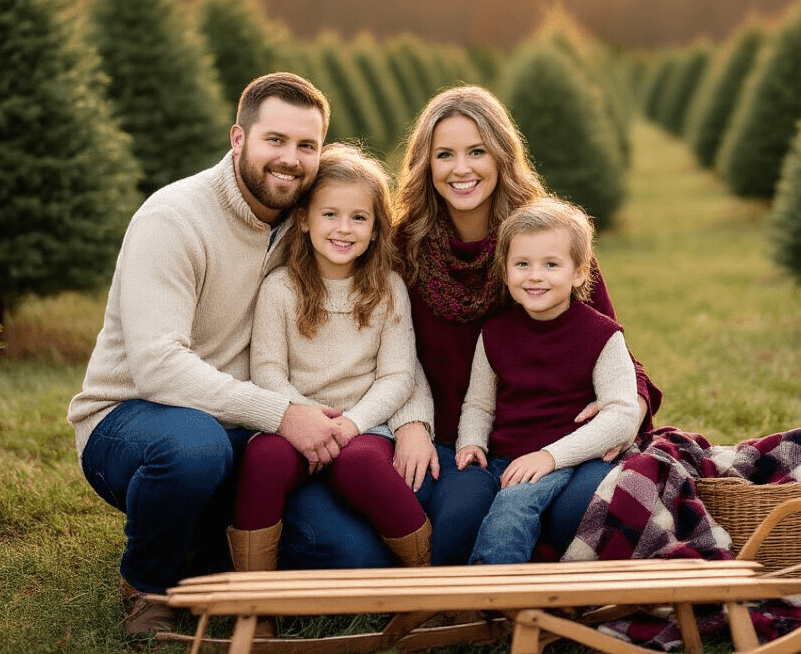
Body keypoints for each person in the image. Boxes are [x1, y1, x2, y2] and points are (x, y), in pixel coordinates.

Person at [280, 85, 662, 567]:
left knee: (577, 510)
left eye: (477, 151)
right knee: (379, 545)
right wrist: (412, 425)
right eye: (445, 154)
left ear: (501, 156)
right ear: (427, 164)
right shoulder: (400, 249)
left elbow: (611, 348)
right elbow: (387, 356)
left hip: (555, 441)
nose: (462, 169)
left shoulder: (545, 246)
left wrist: (625, 408)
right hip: (448, 447)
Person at [67, 73, 350, 638]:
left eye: (306, 146)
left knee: (339, 553)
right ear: (238, 139)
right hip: (134, 421)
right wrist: (283, 415)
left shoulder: (312, 222)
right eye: (275, 140)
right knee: (193, 449)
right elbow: (158, 367)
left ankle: (207, 549)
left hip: (243, 431)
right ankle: (148, 586)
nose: (290, 160)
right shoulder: (173, 219)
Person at [231, 143, 432, 580]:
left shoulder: (388, 288)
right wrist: (307, 420)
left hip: (363, 425)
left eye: (359, 217)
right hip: (292, 420)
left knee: (360, 463)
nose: (344, 228)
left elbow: (398, 376)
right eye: (329, 215)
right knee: (263, 460)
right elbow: (267, 371)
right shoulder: (280, 288)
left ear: (377, 228)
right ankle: (255, 599)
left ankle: (424, 578)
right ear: (303, 219)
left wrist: (351, 424)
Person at [455, 198, 641, 564]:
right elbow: (479, 403)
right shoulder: (494, 333)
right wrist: (470, 442)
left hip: (567, 454)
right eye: (522, 264)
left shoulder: (601, 334)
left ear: (579, 272)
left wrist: (550, 457)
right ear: (505, 270)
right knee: (472, 513)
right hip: (505, 457)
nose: (534, 275)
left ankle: (494, 598)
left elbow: (621, 413)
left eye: (551, 265)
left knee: (512, 511)